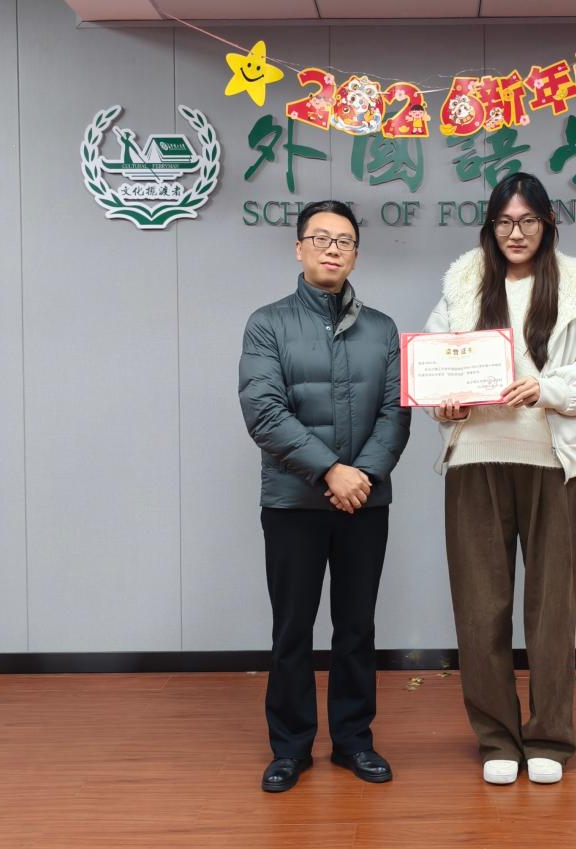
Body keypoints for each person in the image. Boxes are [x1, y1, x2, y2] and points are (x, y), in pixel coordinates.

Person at [424, 173, 576, 785]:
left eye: (527, 222)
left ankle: (549, 737)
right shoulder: (462, 287)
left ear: (547, 224)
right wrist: (445, 404)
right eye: (504, 223)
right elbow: (432, 365)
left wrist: (548, 387)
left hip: (555, 465)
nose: (516, 234)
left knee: (552, 610)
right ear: (490, 227)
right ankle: (496, 739)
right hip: (475, 461)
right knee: (479, 609)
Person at [239, 200, 411, 793]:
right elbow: (263, 411)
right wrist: (331, 471)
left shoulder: (383, 329)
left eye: (344, 241)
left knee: (356, 627)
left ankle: (354, 741)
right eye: (320, 238)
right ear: (299, 248)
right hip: (293, 502)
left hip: (365, 502)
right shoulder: (267, 323)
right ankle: (289, 748)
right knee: (292, 629)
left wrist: (361, 477)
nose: (332, 249)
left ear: (356, 254)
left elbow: (395, 413)